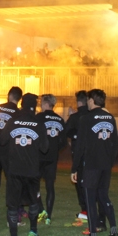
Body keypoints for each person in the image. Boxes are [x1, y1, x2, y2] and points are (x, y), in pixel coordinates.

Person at [0, 93, 49, 236]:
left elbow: (2, 140)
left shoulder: (13, 121)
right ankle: (33, 230)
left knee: (13, 204)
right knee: (33, 201)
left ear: (22, 105)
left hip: (14, 169)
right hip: (32, 170)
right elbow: (45, 148)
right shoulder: (38, 123)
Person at [71, 89, 118, 236]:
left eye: (88, 100)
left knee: (90, 199)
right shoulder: (110, 118)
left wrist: (74, 168)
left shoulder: (86, 118)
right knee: (104, 197)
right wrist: (109, 163)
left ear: (91, 100)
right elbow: (115, 144)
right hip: (105, 165)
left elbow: (80, 146)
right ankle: (114, 232)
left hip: (91, 165)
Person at [0, 86, 21, 224]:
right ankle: (11, 217)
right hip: (7, 151)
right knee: (11, 183)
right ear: (19, 99)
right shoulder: (17, 112)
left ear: (8, 96)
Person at [37, 93, 67, 225]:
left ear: (45, 104)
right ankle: (48, 215)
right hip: (52, 158)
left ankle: (40, 209)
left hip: (38, 157)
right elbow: (64, 141)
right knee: (50, 186)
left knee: (34, 185)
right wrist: (54, 150)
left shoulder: (38, 117)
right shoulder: (60, 120)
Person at [64, 90, 90, 224]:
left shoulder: (75, 117)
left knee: (80, 182)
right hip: (93, 155)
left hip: (79, 155)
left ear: (78, 102)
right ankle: (92, 210)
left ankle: (85, 210)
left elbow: (66, 130)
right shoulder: (92, 115)